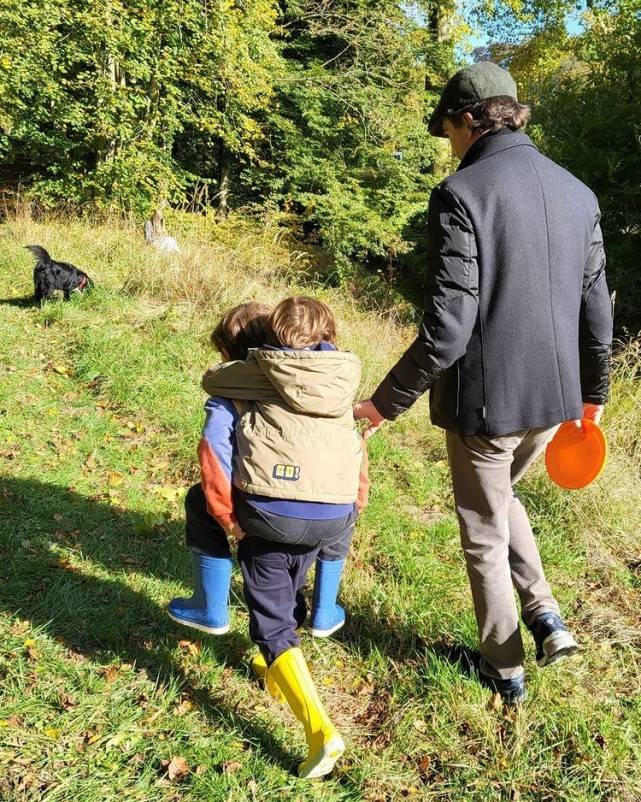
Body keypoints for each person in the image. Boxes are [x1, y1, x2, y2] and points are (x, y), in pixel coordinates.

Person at [354, 61, 613, 705]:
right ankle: (547, 614)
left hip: (487, 407)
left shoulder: (462, 194)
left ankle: (505, 666)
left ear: (470, 121)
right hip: (553, 400)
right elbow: (597, 309)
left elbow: (447, 329)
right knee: (502, 500)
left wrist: (383, 404)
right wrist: (594, 394)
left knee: (483, 529)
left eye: (449, 132)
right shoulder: (578, 192)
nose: (450, 146)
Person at [173, 297, 367, 777]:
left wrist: (226, 517)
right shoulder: (331, 385)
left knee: (272, 621)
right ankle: (281, 661)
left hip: (269, 513)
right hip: (333, 513)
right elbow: (355, 449)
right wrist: (353, 504)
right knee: (286, 587)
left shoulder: (238, 388)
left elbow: (214, 455)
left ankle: (321, 731)